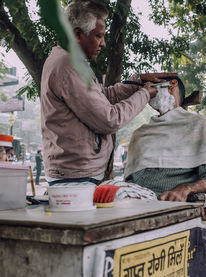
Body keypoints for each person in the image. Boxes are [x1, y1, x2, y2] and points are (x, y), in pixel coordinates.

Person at [40, 0, 168, 186]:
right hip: (76, 176)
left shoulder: (69, 60)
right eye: (99, 36)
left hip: (78, 172)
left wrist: (136, 82)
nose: (103, 43)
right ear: (77, 34)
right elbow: (109, 120)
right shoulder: (68, 66)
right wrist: (144, 94)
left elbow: (101, 98)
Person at [123, 77, 206, 201]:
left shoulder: (199, 124)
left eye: (152, 85)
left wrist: (186, 189)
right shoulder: (139, 133)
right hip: (134, 199)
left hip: (165, 202)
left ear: (172, 84)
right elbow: (130, 181)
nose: (147, 89)